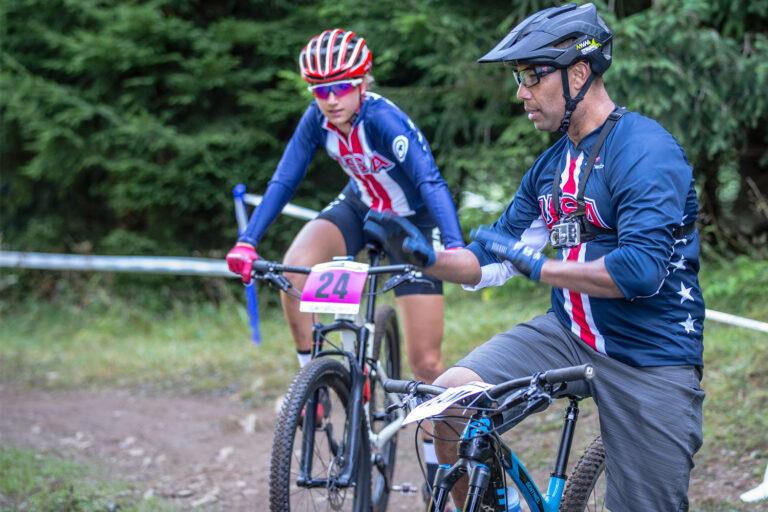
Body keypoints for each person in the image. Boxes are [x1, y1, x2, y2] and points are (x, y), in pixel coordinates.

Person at [364, 3, 705, 511]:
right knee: (450, 404)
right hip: (567, 334)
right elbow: (491, 258)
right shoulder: (550, 167)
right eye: (518, 78)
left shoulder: (645, 150)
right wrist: (426, 258)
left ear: (580, 73)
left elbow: (641, 268)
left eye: (531, 75)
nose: (521, 92)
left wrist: (540, 267)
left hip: (650, 355)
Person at [225, 28, 464, 485]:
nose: (331, 99)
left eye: (341, 88)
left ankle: (441, 463)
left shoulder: (383, 121)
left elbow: (431, 182)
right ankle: (311, 386)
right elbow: (283, 181)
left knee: (428, 364)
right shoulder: (316, 121)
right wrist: (248, 241)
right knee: (294, 274)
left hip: (411, 221)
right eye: (320, 90)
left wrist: (452, 247)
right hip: (359, 207)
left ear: (362, 84)